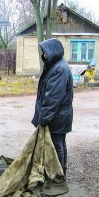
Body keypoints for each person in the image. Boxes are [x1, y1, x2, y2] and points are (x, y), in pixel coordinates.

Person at [31, 38, 73, 178]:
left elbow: (53, 99)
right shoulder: (57, 66)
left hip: (58, 116)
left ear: (53, 52)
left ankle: (59, 176)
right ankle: (61, 172)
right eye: (43, 53)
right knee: (60, 143)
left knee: (56, 146)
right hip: (61, 115)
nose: (44, 56)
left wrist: (43, 119)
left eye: (46, 53)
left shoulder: (59, 69)